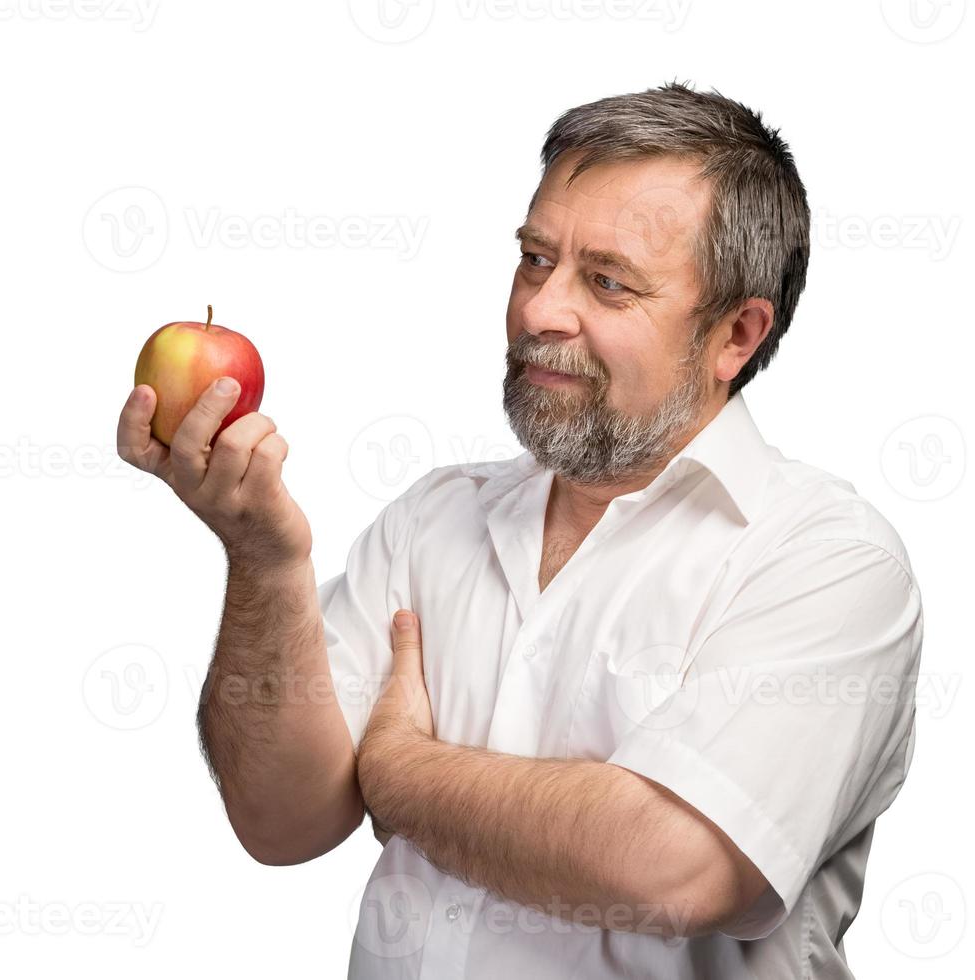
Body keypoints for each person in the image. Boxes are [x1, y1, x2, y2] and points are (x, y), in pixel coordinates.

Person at [116, 82, 924, 979]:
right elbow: (279, 821)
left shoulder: (827, 562)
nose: (541, 310)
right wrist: (264, 559)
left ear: (734, 335)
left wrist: (395, 768)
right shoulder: (434, 520)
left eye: (607, 282)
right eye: (536, 260)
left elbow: (671, 867)